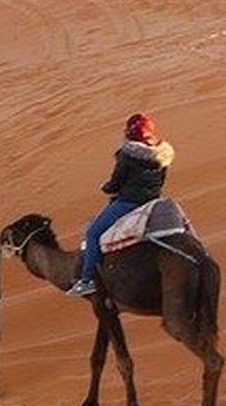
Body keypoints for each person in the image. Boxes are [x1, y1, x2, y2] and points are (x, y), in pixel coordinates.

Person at [66, 113, 176, 297]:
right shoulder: (163, 154)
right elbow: (161, 179)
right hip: (154, 199)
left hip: (129, 201)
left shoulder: (127, 155)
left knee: (92, 233)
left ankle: (88, 280)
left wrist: (107, 187)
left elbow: (116, 183)